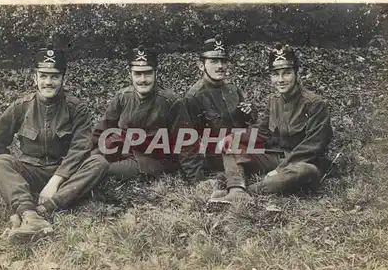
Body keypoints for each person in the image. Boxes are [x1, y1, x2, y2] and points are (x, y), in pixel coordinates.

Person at [0, 44, 109, 242]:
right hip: (30, 171)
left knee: (99, 163)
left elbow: (80, 148)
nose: (48, 82)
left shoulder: (76, 108)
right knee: (0, 161)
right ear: (35, 78)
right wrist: (9, 177)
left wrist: (56, 181)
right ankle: (28, 212)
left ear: (63, 79)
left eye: (54, 76)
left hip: (65, 175)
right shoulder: (20, 107)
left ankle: (44, 209)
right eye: (43, 76)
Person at [209, 43, 333, 204]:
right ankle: (236, 189)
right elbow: (261, 132)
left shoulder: (315, 103)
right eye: (275, 74)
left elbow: (313, 146)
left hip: (304, 162)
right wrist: (233, 137)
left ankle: (251, 190)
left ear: (297, 73)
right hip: (276, 156)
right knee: (230, 146)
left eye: (286, 73)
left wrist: (279, 170)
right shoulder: (273, 101)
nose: (280, 80)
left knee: (304, 172)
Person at [91, 45, 189, 181]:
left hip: (150, 159)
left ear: (156, 73)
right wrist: (88, 153)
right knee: (86, 163)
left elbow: (185, 142)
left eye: (147, 73)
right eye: (137, 73)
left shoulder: (169, 101)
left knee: (101, 170)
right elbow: (102, 129)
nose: (143, 79)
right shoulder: (123, 97)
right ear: (130, 74)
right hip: (121, 150)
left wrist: (195, 178)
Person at [181, 35, 258, 194]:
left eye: (223, 61)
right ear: (200, 65)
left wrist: (251, 112)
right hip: (217, 155)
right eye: (214, 61)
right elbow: (187, 141)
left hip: (241, 147)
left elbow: (246, 123)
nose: (220, 66)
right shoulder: (194, 97)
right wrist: (196, 180)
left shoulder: (232, 89)